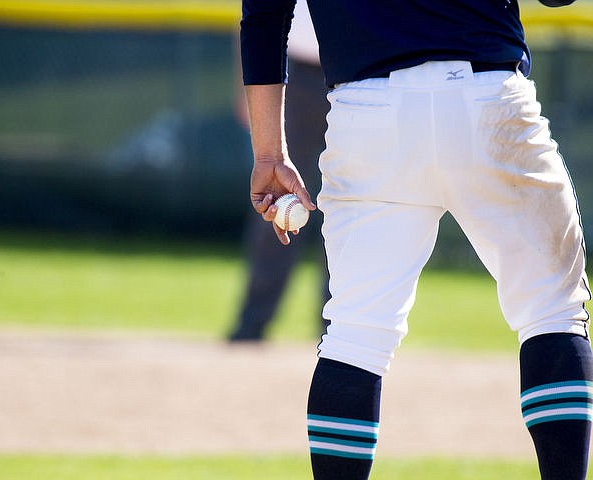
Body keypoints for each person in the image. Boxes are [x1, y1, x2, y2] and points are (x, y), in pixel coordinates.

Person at [239, 1, 593, 479]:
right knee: (552, 311)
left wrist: (268, 151)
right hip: (487, 97)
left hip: (367, 112)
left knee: (355, 335)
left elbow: (264, 12)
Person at [229, 1, 330, 342]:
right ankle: (252, 323)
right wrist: (246, 90)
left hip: (353, 78)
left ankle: (338, 331)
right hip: (289, 74)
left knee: (350, 208)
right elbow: (253, 17)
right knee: (277, 201)